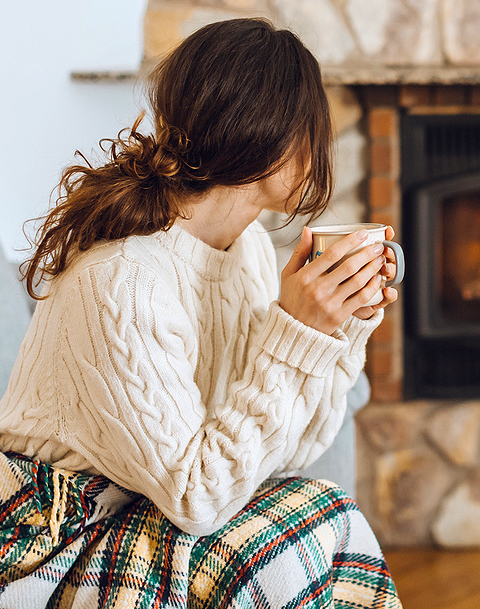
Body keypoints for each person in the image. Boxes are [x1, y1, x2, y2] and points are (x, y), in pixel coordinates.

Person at [0, 17, 402, 609]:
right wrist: (294, 333)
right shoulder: (124, 280)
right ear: (269, 137)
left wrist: (337, 329)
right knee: (303, 531)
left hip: (154, 509)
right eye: (314, 127)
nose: (323, 147)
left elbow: (287, 452)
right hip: (53, 538)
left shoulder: (249, 250)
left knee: (314, 512)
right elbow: (199, 498)